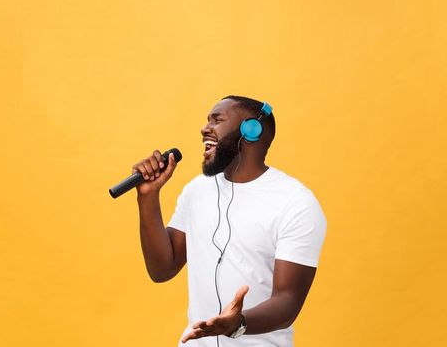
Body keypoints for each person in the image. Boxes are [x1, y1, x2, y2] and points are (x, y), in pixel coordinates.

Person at [132, 96, 327, 346]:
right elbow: (162, 270)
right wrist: (148, 197)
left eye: (217, 120)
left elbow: (288, 300)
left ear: (250, 130)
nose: (204, 129)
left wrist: (238, 323)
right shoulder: (196, 190)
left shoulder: (295, 202)